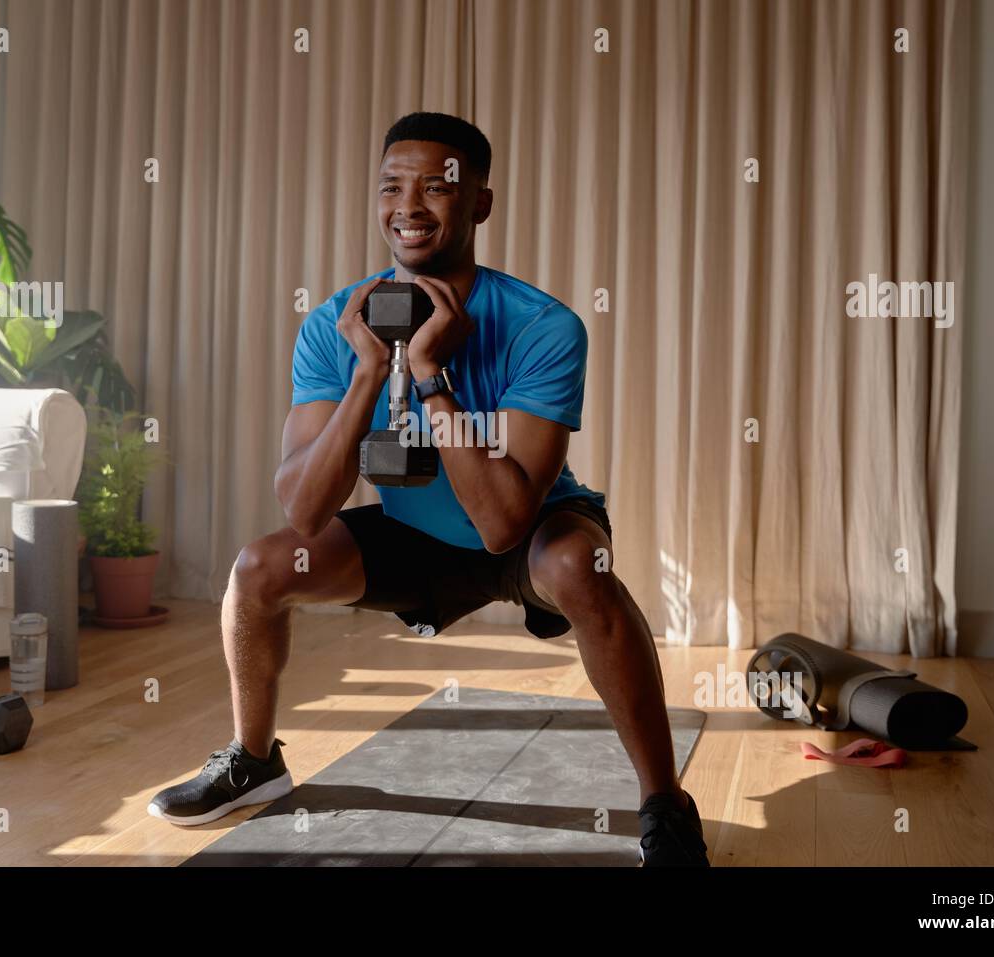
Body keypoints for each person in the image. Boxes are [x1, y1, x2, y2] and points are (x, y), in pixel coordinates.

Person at [148, 112, 708, 867]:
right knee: (258, 569)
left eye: (436, 187)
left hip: (529, 529)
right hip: (412, 530)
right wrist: (370, 372)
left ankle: (664, 803)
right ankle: (255, 759)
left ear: (479, 203)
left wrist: (431, 379)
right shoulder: (333, 325)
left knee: (582, 566)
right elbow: (306, 509)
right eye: (391, 187)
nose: (408, 206)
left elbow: (505, 520)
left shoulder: (544, 325)